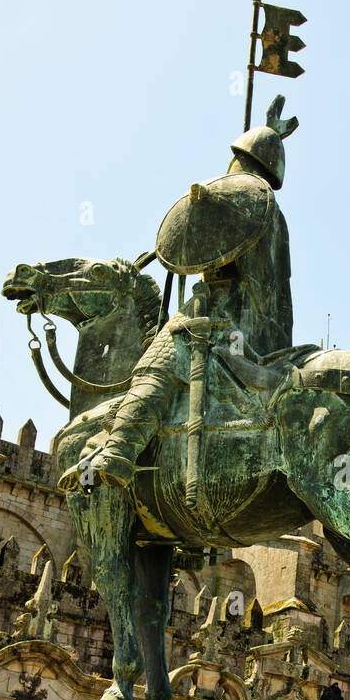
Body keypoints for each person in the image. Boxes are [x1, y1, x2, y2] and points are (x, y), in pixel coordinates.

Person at [59, 102, 295, 494]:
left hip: (227, 321)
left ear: (239, 159)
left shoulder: (242, 202)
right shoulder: (271, 211)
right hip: (265, 332)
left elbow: (211, 255)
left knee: (158, 359)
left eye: (233, 158)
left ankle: (117, 452)